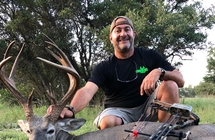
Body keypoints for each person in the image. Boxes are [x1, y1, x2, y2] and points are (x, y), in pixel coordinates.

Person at [47, 16, 185, 129]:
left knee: (170, 85)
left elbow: (180, 80)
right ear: (111, 38)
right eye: (118, 31)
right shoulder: (104, 66)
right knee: (108, 122)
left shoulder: (149, 56)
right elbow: (88, 90)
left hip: (148, 107)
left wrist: (159, 72)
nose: (123, 34)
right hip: (119, 112)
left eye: (127, 30)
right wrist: (70, 110)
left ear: (133, 34)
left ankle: (168, 135)